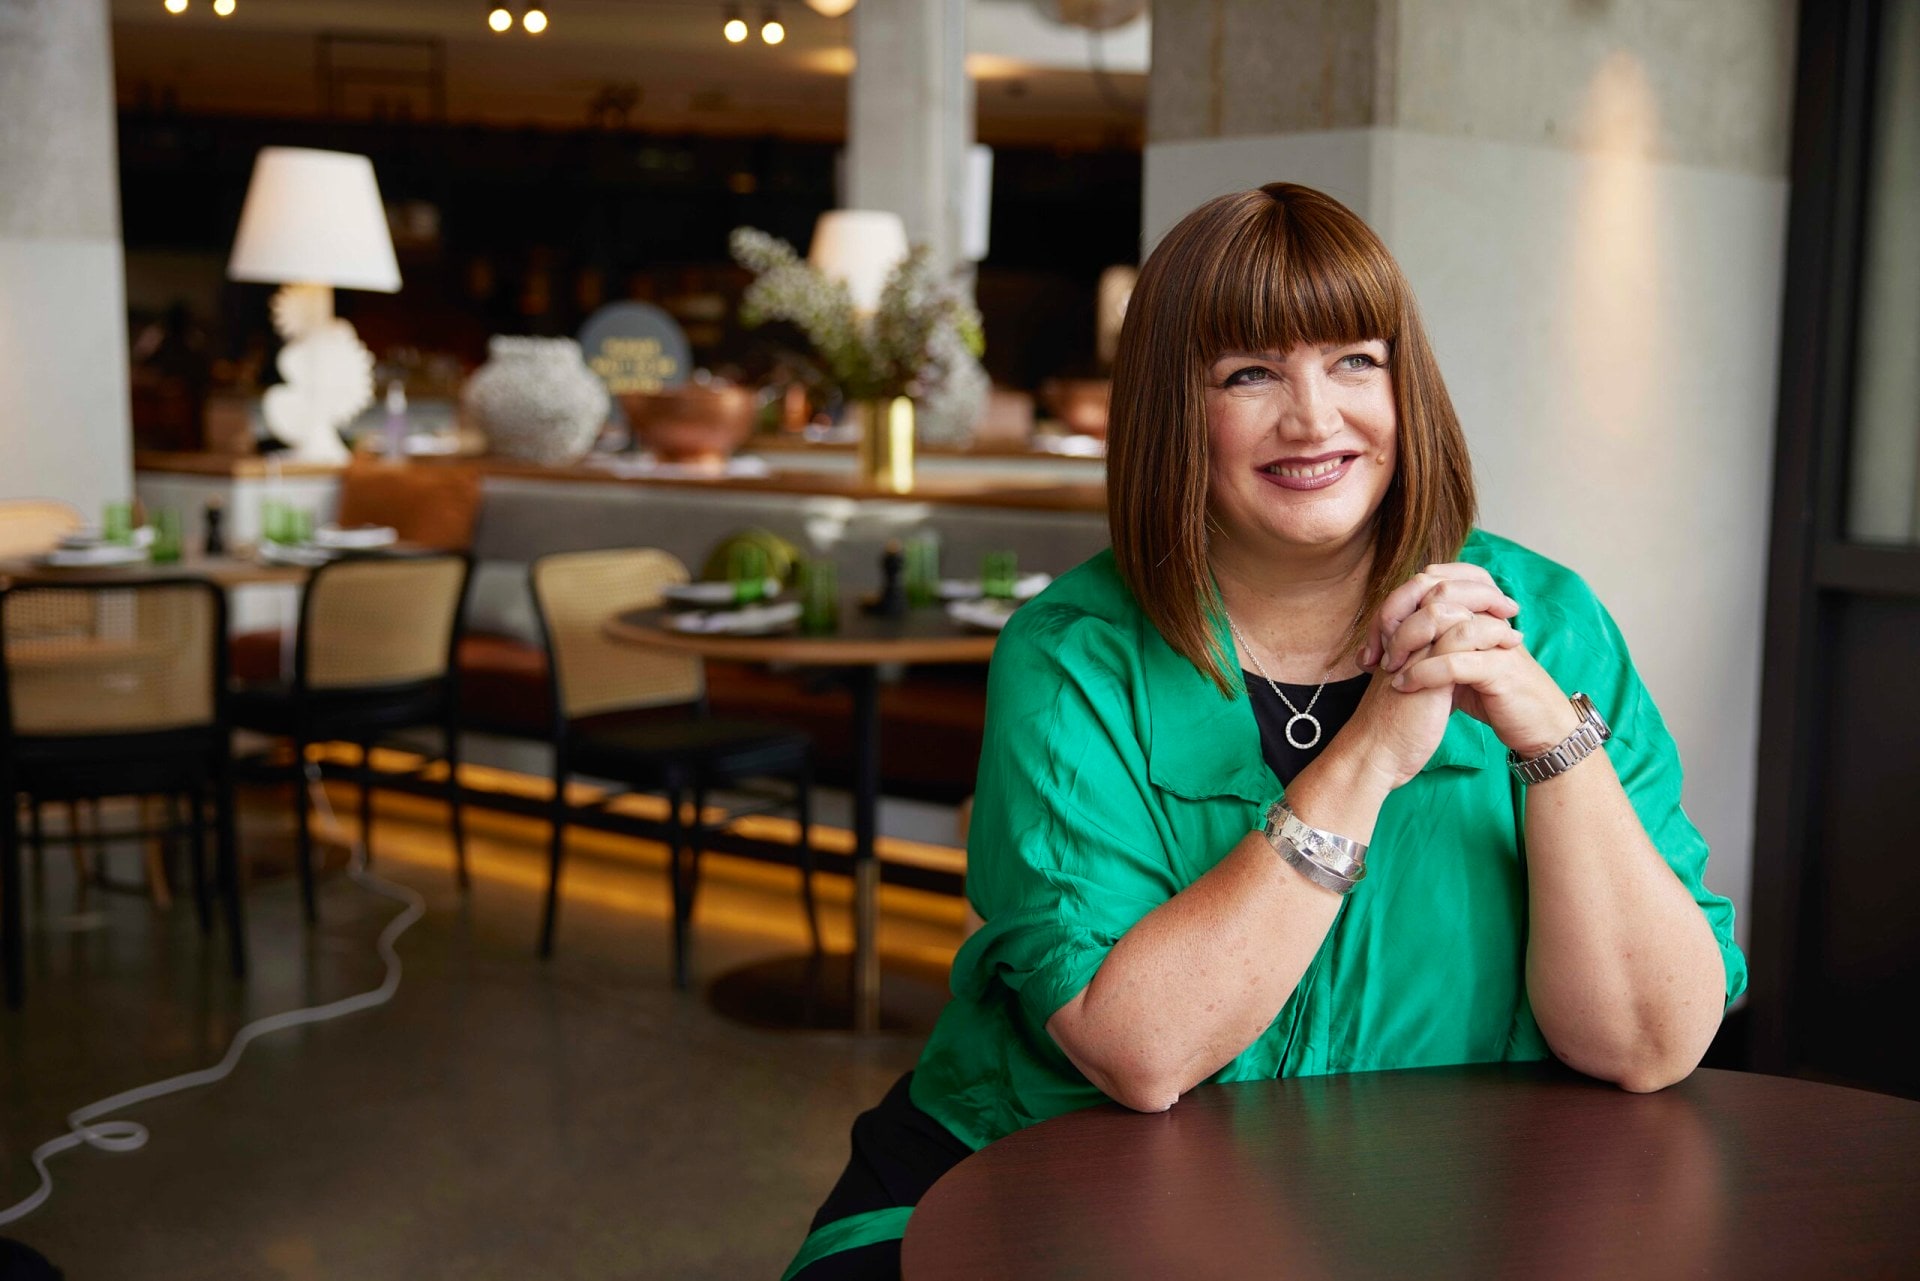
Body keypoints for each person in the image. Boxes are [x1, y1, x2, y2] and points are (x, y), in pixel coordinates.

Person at [782, 183, 1746, 1280]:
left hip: (1404, 1215)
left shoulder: (1551, 621)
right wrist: (1373, 750)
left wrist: (1547, 738)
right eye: (1249, 374)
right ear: (1172, 412)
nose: (1313, 419)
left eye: (1354, 361)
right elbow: (1140, 1055)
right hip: (1034, 1196)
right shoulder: (1073, 656)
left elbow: (1648, 1045)